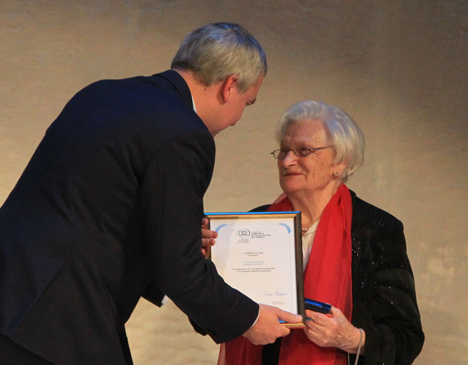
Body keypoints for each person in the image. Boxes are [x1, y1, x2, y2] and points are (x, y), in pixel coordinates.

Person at [0, 22, 302, 365]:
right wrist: (248, 319)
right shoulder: (184, 134)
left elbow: (89, 207)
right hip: (56, 320)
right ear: (229, 85)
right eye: (247, 104)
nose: (236, 120)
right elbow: (180, 269)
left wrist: (177, 234)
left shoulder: (101, 93)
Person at [203, 100, 424, 364]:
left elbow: (407, 337)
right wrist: (205, 267)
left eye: (303, 150)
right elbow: (207, 319)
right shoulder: (250, 225)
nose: (287, 160)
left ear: (340, 162)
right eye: (284, 150)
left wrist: (352, 338)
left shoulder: (376, 228)